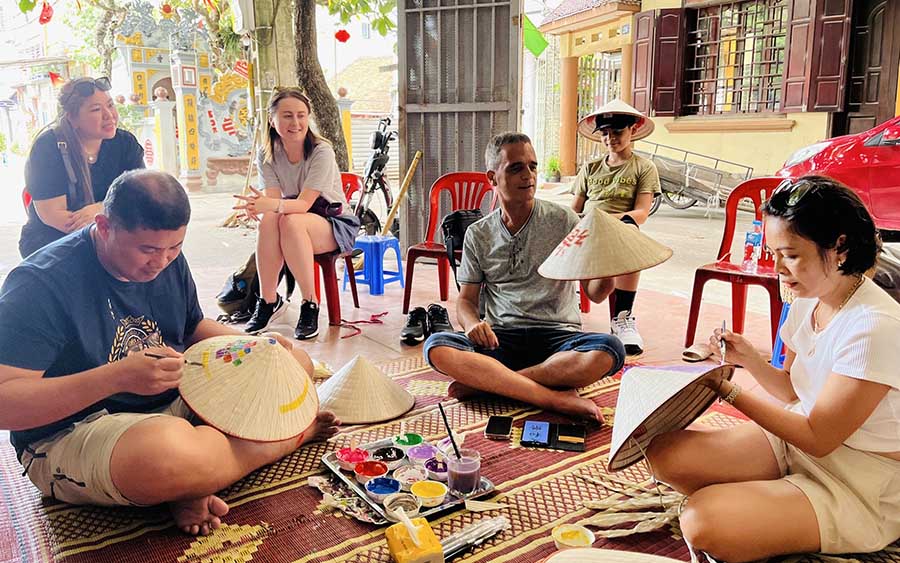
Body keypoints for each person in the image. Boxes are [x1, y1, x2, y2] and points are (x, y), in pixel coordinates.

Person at [0, 170, 339, 536]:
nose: (161, 261)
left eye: (174, 248)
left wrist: (254, 346)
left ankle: (196, 479)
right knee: (167, 454)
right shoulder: (40, 283)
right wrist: (117, 377)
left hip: (175, 398)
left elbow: (192, 327)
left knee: (294, 365)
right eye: (147, 250)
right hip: (77, 430)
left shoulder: (167, 256)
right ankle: (284, 439)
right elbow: (7, 405)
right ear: (104, 226)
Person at [646, 176, 900, 562]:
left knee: (703, 520)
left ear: (840, 247)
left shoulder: (875, 327)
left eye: (791, 254)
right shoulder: (808, 296)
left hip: (859, 482)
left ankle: (780, 506)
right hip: (801, 443)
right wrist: (748, 359)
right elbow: (792, 392)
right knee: (664, 454)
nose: (777, 266)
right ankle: (776, 502)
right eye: (773, 251)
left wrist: (727, 390)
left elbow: (819, 438)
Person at [422, 132, 626, 422]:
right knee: (437, 347)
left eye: (532, 166)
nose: (528, 175)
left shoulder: (564, 220)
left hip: (559, 339)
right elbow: (466, 301)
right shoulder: (478, 234)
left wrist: (610, 262)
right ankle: (553, 397)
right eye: (516, 167)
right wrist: (471, 325)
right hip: (500, 339)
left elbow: (596, 293)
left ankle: (494, 385)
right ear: (492, 178)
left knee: (610, 349)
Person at [233, 87, 359, 340]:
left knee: (289, 220)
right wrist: (259, 207)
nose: (296, 122)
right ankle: (268, 301)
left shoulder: (321, 150)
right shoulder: (267, 153)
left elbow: (302, 204)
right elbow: (274, 200)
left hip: (331, 221)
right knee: (270, 220)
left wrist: (267, 205)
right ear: (272, 119)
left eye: (301, 115)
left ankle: (309, 303)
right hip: (293, 217)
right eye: (287, 115)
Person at [571, 100, 660, 356]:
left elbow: (641, 212)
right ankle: (563, 309)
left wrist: (612, 222)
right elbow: (575, 208)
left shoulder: (644, 168)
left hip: (620, 231)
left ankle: (622, 318)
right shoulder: (590, 169)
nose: (611, 138)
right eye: (605, 133)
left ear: (633, 129)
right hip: (588, 231)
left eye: (618, 132)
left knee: (632, 235)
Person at [20, 76, 145, 258]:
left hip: (111, 235)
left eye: (110, 105)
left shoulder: (125, 143)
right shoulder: (48, 146)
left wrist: (102, 209)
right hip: (52, 242)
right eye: (96, 109)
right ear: (72, 118)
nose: (109, 115)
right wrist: (105, 227)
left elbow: (140, 196)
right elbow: (55, 216)